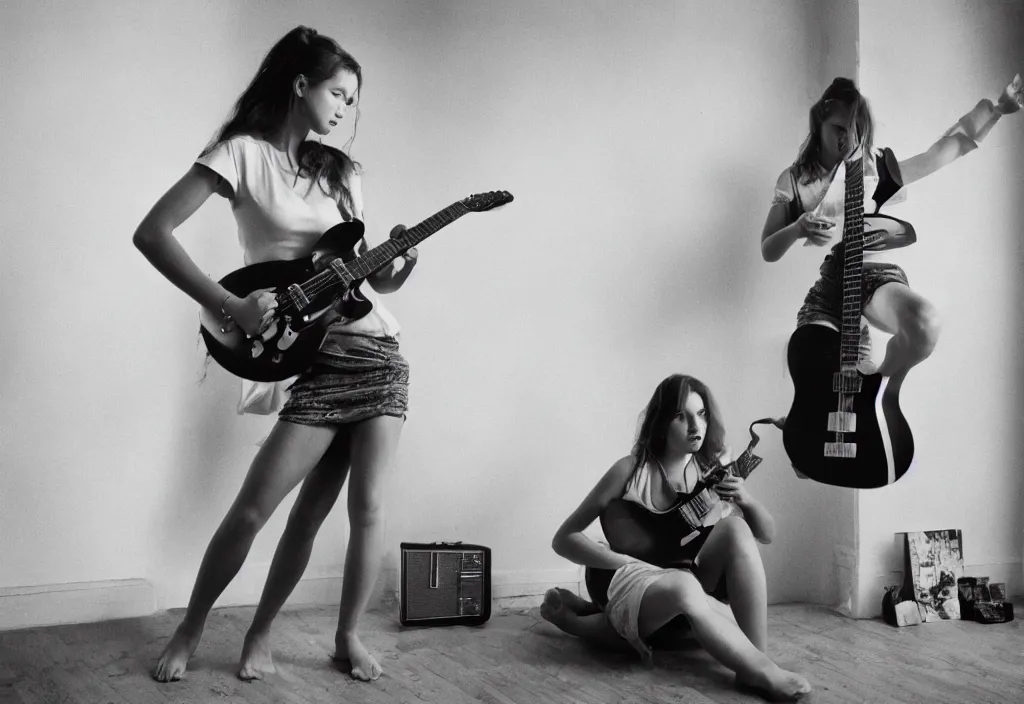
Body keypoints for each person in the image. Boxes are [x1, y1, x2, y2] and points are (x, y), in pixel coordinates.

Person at [132, 26, 417, 683]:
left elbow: (364, 280)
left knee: (362, 509)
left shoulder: (342, 174)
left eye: (352, 99)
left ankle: (330, 636)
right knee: (256, 509)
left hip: (378, 353)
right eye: (338, 92)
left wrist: (400, 265)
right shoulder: (241, 156)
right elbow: (153, 233)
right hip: (309, 358)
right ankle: (191, 628)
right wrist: (229, 306)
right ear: (300, 84)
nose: (346, 108)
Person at [541, 374, 811, 701]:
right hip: (630, 580)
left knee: (736, 529)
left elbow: (766, 535)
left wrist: (746, 500)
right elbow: (564, 539)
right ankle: (763, 672)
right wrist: (624, 561)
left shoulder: (708, 472)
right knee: (686, 589)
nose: (695, 425)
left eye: (701, 414)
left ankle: (754, 662)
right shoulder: (629, 470)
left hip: (682, 584)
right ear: (660, 422)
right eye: (681, 415)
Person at [760, 74, 1023, 389]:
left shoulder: (875, 168)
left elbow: (938, 155)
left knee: (925, 324)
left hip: (875, 279)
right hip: (831, 288)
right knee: (819, 381)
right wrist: (796, 229)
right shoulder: (795, 181)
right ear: (820, 123)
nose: (847, 142)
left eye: (856, 132)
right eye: (838, 130)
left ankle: (879, 382)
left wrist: (995, 111)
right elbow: (769, 249)